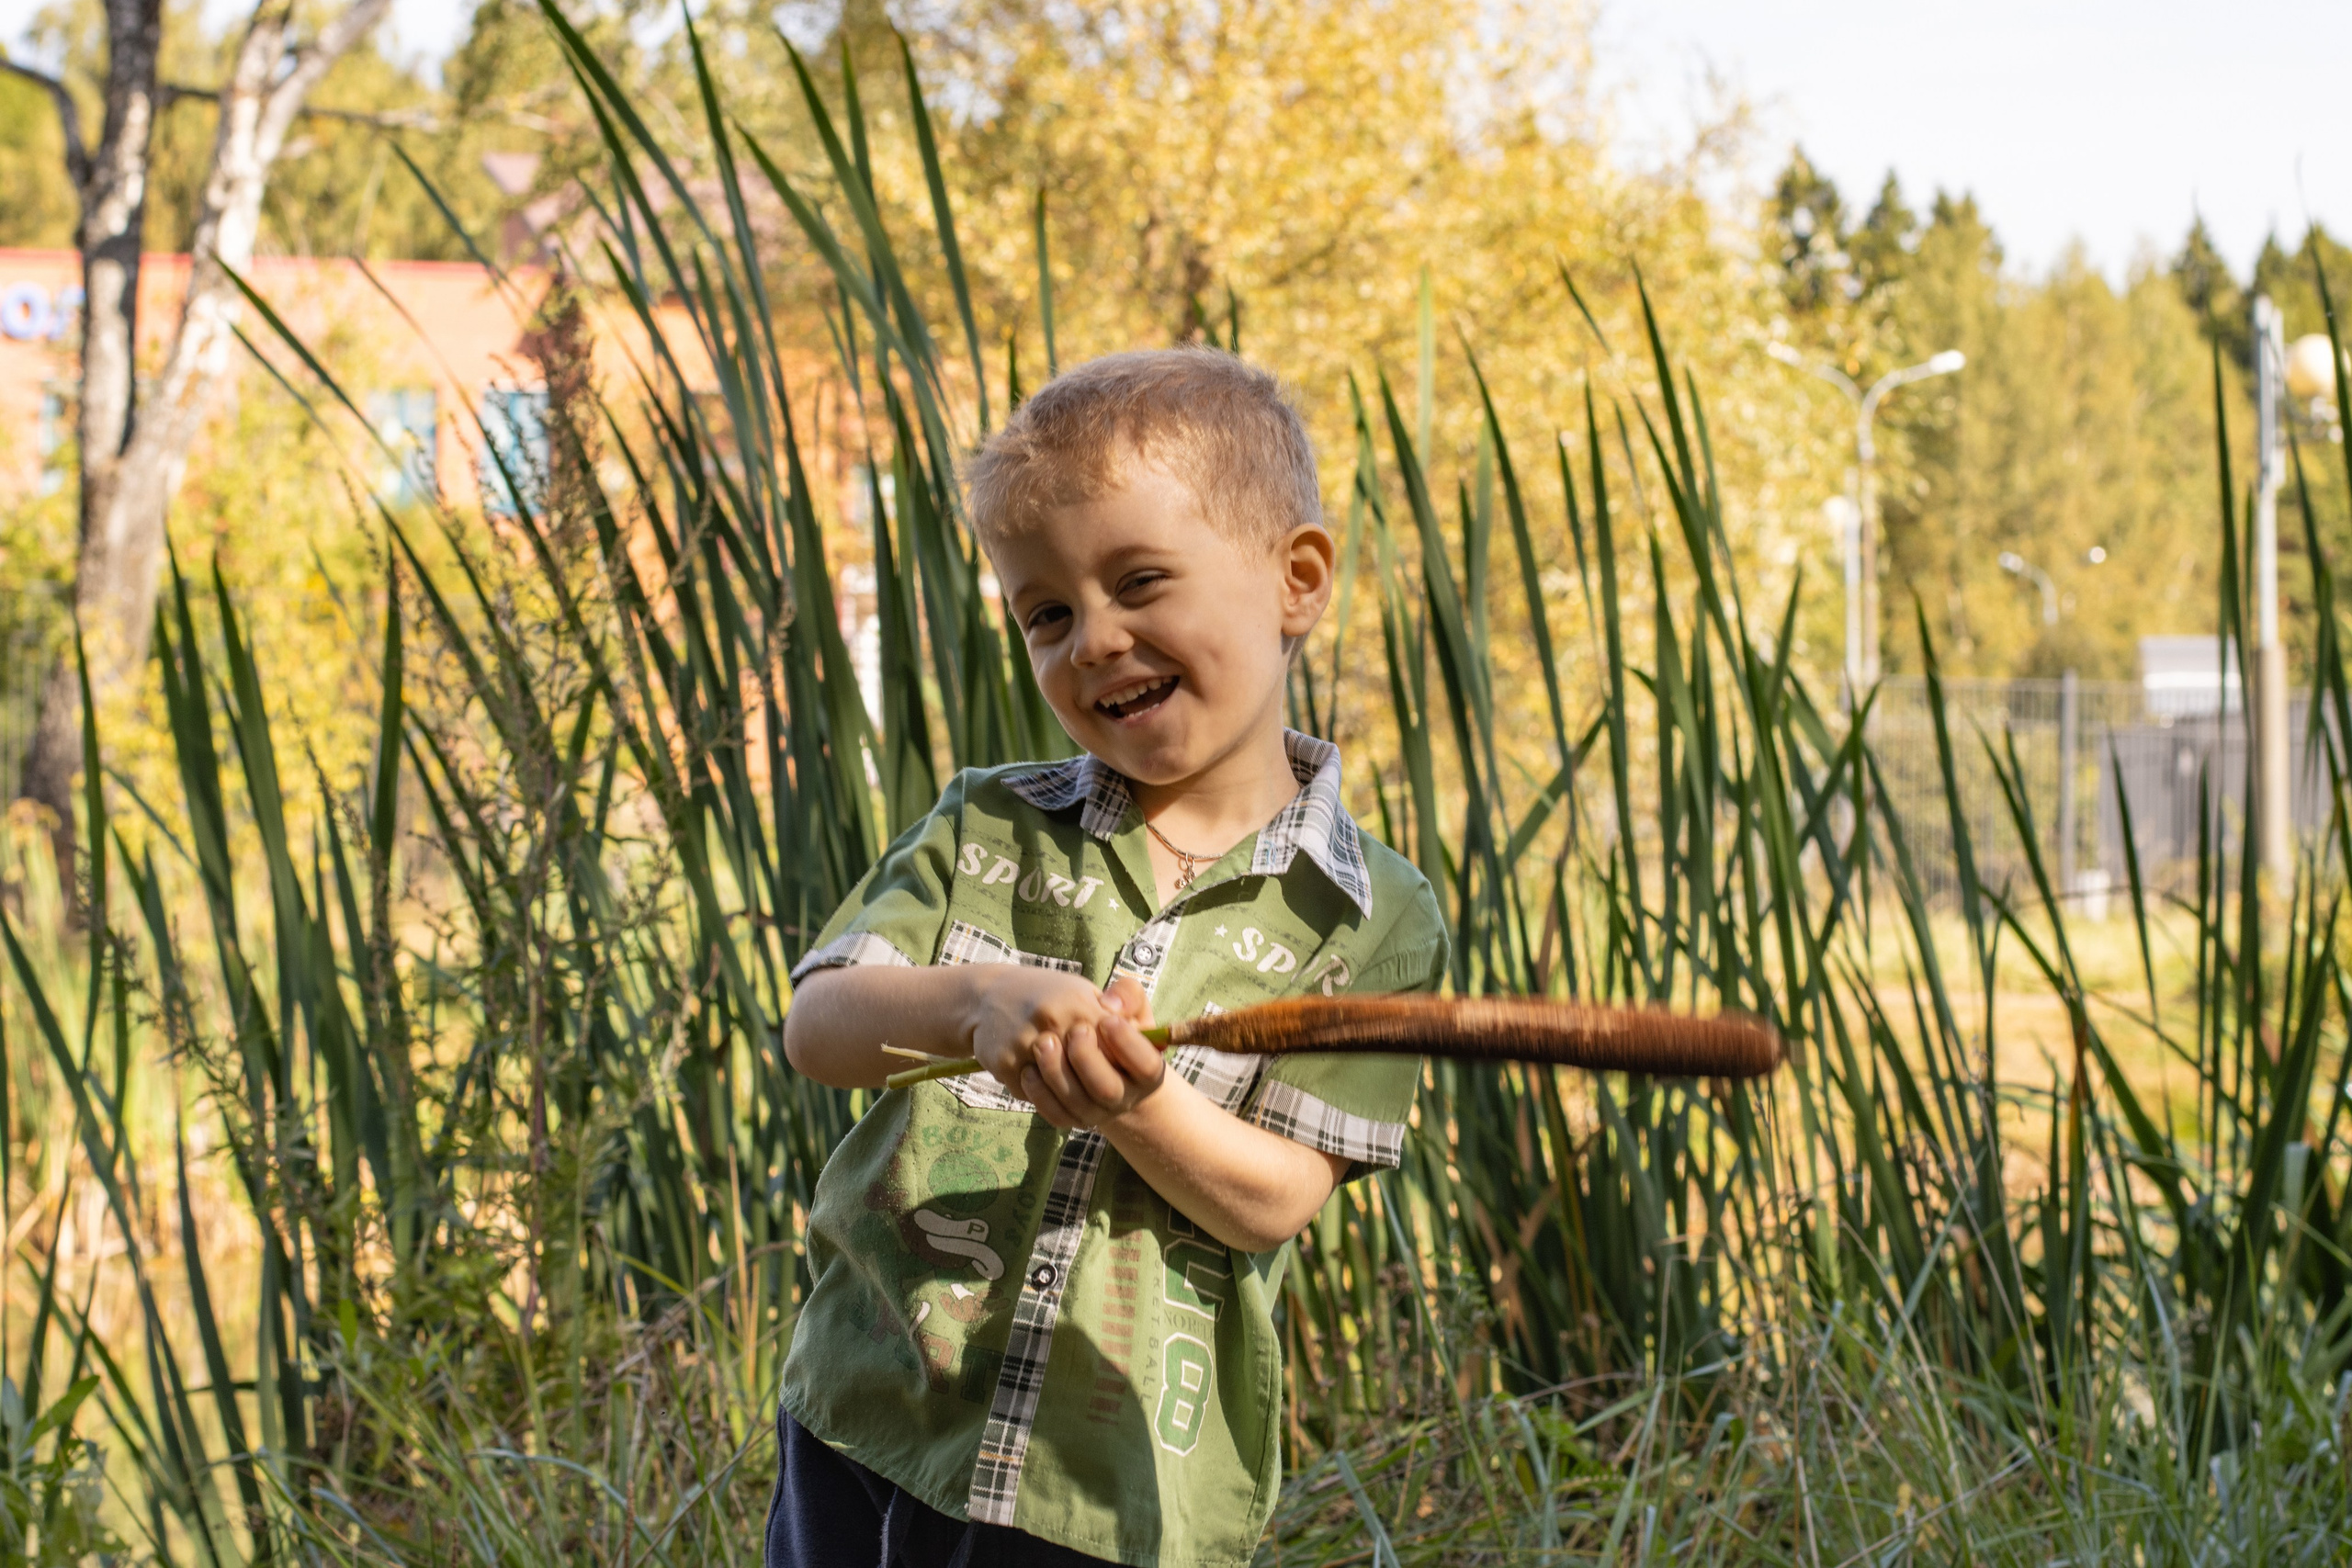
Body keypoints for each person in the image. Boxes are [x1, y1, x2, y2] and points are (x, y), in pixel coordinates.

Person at [766, 346, 1449, 1568]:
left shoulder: (1372, 916)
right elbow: (818, 1031)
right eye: (1048, 613)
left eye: (1141, 582)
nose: (1093, 639)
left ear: (1296, 581)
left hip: (1113, 1481)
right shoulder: (988, 823)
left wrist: (1139, 1105)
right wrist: (977, 999)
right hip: (877, 1414)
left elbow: (1273, 1200)